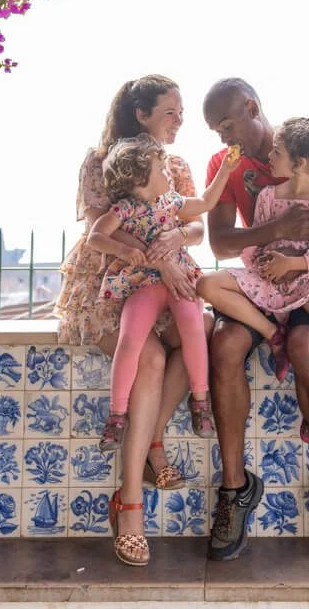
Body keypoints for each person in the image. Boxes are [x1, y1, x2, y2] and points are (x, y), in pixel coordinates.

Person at [202, 78, 309, 561]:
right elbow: (221, 244)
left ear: (252, 108)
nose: (222, 138)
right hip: (263, 279)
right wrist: (274, 231)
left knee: (306, 346)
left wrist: (308, 255)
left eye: (227, 125)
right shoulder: (224, 165)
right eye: (215, 130)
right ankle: (235, 489)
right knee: (226, 345)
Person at [54, 75, 209, 566]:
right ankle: (130, 506)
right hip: (111, 284)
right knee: (151, 359)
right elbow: (103, 231)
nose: (179, 119)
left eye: (180, 111)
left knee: (202, 331)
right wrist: (154, 257)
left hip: (163, 283)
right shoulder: (101, 163)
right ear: (140, 114)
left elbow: (197, 223)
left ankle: (149, 439)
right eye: (170, 110)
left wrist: (177, 243)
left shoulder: (177, 165)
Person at [87, 134, 239, 449]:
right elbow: (95, 236)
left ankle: (200, 399)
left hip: (179, 276)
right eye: (161, 168)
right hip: (143, 282)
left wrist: (225, 169)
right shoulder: (125, 208)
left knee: (193, 328)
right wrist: (123, 250)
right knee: (130, 341)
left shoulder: (172, 201)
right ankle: (117, 415)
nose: (168, 173)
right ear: (141, 178)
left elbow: (207, 203)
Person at [198, 115, 309, 383]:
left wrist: (291, 264)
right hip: (268, 279)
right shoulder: (268, 196)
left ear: (299, 163)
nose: (269, 156)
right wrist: (267, 264)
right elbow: (254, 244)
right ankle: (271, 332)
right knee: (206, 284)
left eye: (276, 152)